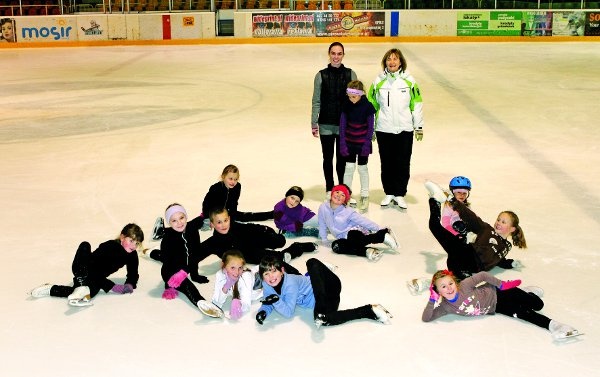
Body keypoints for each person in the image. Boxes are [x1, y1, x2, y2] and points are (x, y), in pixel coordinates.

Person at [422, 269, 581, 341]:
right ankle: (555, 326)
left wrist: (502, 285)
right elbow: (427, 318)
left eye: (450, 283)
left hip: (499, 292)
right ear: (438, 292)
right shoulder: (445, 307)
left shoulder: (464, 285)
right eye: (443, 287)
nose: (449, 288)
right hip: (497, 307)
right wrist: (431, 300)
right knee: (524, 313)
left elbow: (482, 275)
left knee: (538, 304)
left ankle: (526, 293)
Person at [255, 255, 393, 328]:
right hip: (323, 300)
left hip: (329, 288)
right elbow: (269, 300)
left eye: (274, 272)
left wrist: (277, 301)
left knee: (311, 262)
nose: (271, 277)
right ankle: (371, 310)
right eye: (266, 274)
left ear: (282, 271)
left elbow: (288, 312)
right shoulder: (267, 284)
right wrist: (264, 311)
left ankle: (321, 272)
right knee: (324, 319)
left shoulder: (290, 283)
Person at [426, 182, 526, 279]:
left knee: (453, 259)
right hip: (467, 253)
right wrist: (453, 200)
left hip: (475, 267)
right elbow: (470, 216)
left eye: (503, 222)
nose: (498, 223)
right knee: (435, 227)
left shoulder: (507, 246)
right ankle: (434, 199)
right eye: (498, 220)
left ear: (512, 229)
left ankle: (460, 273)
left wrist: (510, 263)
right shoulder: (487, 229)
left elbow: (497, 259)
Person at [29, 224, 144, 307]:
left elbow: (133, 273)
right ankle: (81, 286)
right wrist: (112, 286)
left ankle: (50, 289)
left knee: (88, 293)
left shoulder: (132, 255)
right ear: (122, 237)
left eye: (137, 243)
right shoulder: (110, 246)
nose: (134, 245)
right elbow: (94, 268)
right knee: (85, 245)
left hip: (95, 278)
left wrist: (130, 284)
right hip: (83, 267)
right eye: (131, 240)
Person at [151, 164, 272, 240]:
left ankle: (271, 214)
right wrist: (209, 218)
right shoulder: (216, 188)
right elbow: (206, 203)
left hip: (227, 213)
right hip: (210, 214)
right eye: (230, 178)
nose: (233, 182)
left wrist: (230, 215)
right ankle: (163, 231)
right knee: (193, 224)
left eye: (235, 179)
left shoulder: (237, 187)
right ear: (223, 176)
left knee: (247, 216)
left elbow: (234, 202)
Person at [367, 48, 424, 210]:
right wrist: (371, 128)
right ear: (385, 62)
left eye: (395, 59)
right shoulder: (378, 81)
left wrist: (418, 126)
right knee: (387, 162)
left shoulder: (409, 81)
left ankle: (399, 194)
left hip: (405, 129)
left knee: (403, 162)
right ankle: (389, 192)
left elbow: (417, 104)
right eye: (389, 59)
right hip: (384, 128)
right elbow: (372, 105)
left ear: (400, 62)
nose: (392, 62)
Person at [152, 203, 224, 318]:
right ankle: (201, 302)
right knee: (186, 285)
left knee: (200, 248)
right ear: (169, 223)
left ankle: (150, 252)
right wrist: (168, 285)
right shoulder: (167, 240)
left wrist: (194, 275)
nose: (179, 223)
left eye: (181, 218)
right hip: (172, 270)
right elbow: (167, 264)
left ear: (186, 216)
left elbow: (194, 255)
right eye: (174, 220)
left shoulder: (192, 228)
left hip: (185, 263)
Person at [200, 208, 315, 271]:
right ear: (212, 224)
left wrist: (264, 229)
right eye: (219, 222)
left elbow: (249, 227)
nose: (224, 225)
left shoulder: (234, 226)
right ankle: (298, 247)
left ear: (229, 218)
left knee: (280, 241)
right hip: (249, 253)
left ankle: (280, 233)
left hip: (252, 239)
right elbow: (195, 254)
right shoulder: (214, 242)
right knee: (279, 259)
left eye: (225, 220)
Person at [311, 42, 358, 200]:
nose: (336, 56)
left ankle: (342, 187)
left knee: (342, 159)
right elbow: (316, 101)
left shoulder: (350, 74)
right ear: (329, 54)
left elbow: (356, 101)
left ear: (343, 55)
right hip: (325, 124)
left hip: (344, 125)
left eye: (339, 53)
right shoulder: (321, 75)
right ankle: (329, 187)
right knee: (327, 158)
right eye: (333, 53)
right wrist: (314, 123)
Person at [318, 184, 399, 262]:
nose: (339, 195)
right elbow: (322, 223)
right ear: (332, 192)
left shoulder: (348, 211)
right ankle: (367, 251)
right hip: (341, 237)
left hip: (354, 231)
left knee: (354, 239)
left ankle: (381, 236)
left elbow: (363, 221)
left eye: (343, 195)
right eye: (337, 192)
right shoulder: (323, 207)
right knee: (336, 247)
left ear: (345, 201)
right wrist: (324, 239)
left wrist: (379, 228)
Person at [339, 80, 376, 213]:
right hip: (349, 143)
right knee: (349, 168)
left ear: (361, 94)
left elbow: (371, 127)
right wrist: (342, 143)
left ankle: (365, 195)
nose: (351, 99)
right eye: (349, 96)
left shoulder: (368, 107)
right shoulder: (346, 105)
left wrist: (367, 143)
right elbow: (342, 125)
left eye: (353, 97)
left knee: (362, 169)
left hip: (362, 144)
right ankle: (346, 195)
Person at [211, 249, 263, 320]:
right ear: (224, 266)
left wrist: (239, 304)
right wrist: (226, 287)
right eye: (232, 268)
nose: (237, 272)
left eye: (240, 268)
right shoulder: (220, 275)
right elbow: (216, 303)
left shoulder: (245, 277)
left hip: (263, 280)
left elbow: (246, 303)